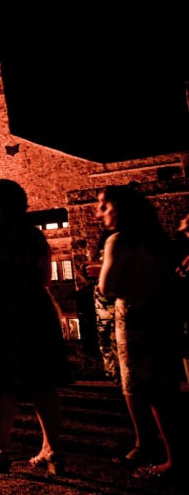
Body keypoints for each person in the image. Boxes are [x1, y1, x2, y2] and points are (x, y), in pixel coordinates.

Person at [0, 179, 69, 474]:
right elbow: (45, 278)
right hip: (36, 307)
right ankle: (52, 449)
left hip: (0, 308)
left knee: (0, 379)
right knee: (42, 380)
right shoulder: (34, 234)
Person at [96, 185, 183, 479]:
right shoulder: (160, 241)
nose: (99, 212)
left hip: (134, 319)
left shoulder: (118, 241)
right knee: (166, 387)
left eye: (104, 206)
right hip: (164, 317)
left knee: (140, 387)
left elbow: (106, 287)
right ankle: (160, 447)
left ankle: (167, 456)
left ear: (121, 209)